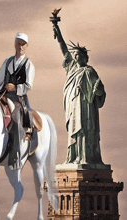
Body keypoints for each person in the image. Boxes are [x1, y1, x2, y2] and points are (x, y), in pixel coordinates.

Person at [52, 23, 106, 164]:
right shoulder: (71, 69)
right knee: (73, 131)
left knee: (85, 131)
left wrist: (98, 91)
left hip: (86, 107)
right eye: (74, 55)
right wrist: (57, 29)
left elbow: (100, 91)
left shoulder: (89, 71)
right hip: (73, 106)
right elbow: (64, 50)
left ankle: (86, 158)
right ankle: (73, 157)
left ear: (84, 57)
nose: (75, 57)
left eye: (78, 55)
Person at [0, 33, 35, 169]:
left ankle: (15, 157)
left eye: (23, 44)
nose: (20, 46)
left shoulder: (29, 64)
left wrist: (15, 87)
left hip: (18, 98)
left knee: (16, 118)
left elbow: (28, 85)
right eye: (18, 43)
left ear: (26, 46)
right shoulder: (8, 61)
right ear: (15, 44)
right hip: (3, 95)